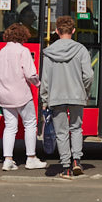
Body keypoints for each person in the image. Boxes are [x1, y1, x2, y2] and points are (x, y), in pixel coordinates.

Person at [40, 15, 94, 179]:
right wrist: (85, 91)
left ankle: (65, 167)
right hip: (76, 95)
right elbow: (89, 75)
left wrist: (44, 99)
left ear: (56, 31)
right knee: (76, 128)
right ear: (74, 31)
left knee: (61, 132)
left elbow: (45, 80)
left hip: (56, 96)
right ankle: (77, 160)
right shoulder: (81, 50)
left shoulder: (49, 52)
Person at [0, 23, 44, 171]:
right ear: (23, 36)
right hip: (22, 95)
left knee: (10, 127)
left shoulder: (1, 52)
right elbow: (30, 74)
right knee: (30, 124)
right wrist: (38, 84)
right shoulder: (23, 51)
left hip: (5, 96)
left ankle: (8, 160)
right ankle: (31, 158)